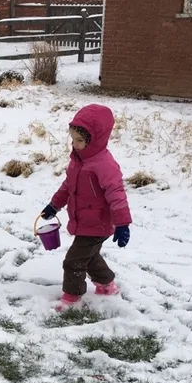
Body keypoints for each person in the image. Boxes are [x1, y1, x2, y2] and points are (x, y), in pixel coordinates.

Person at [41, 104, 131, 309]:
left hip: (97, 224)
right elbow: (68, 186)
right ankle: (107, 285)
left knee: (73, 261)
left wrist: (122, 223)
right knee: (89, 257)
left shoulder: (104, 165)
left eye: (80, 140)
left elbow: (116, 194)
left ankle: (72, 299)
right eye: (73, 139)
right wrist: (54, 206)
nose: (75, 144)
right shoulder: (78, 161)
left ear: (95, 139)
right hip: (85, 221)